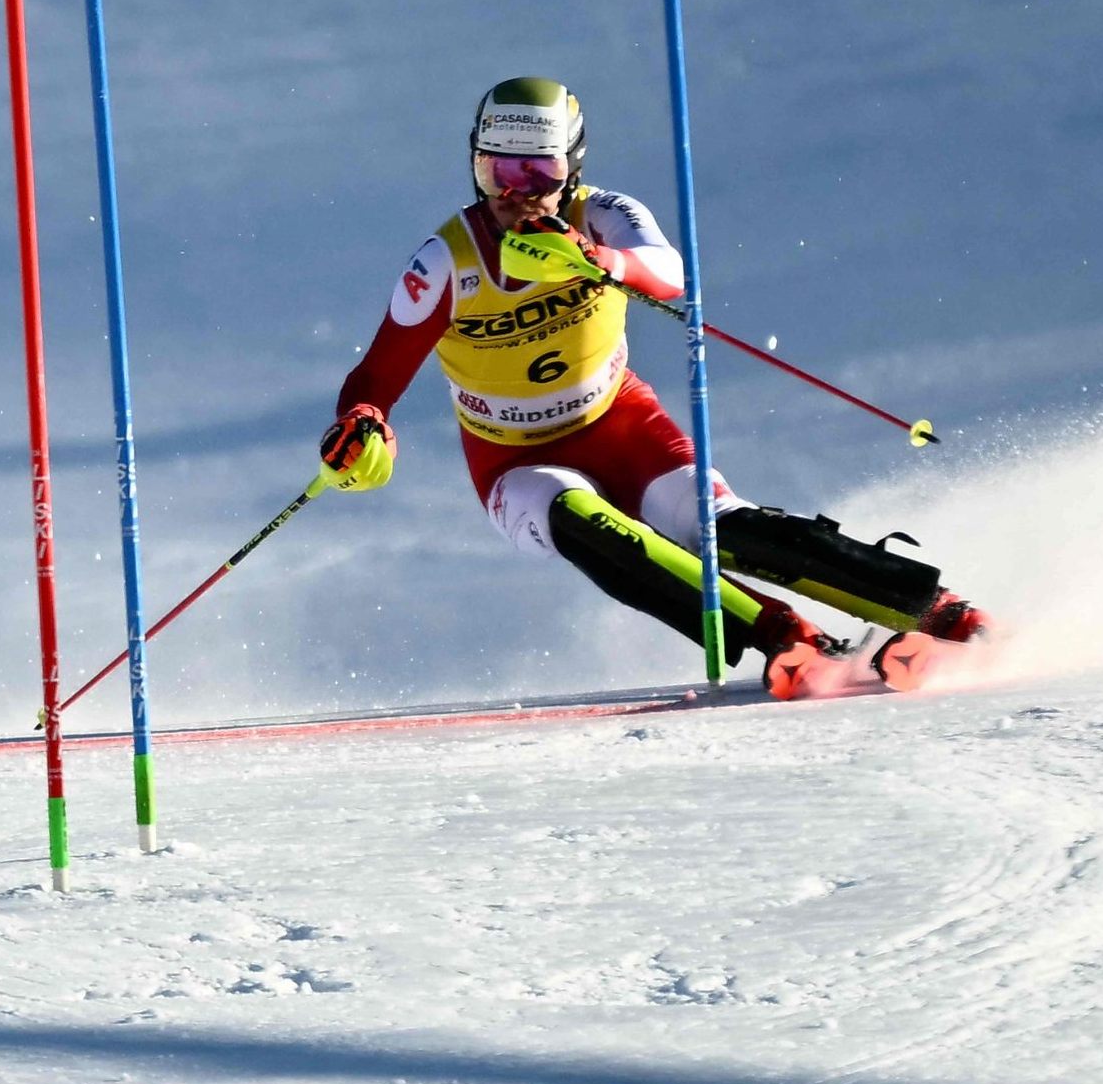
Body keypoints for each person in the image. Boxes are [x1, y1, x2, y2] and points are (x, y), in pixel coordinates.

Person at [318, 77, 989, 697]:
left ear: (571, 168)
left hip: (622, 426)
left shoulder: (600, 215)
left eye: (539, 171)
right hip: (512, 460)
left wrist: (596, 260)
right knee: (576, 515)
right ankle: (785, 638)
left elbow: (668, 273)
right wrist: (362, 423)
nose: (516, 193)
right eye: (498, 170)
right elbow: (376, 374)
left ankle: (945, 615)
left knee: (719, 527)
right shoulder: (446, 261)